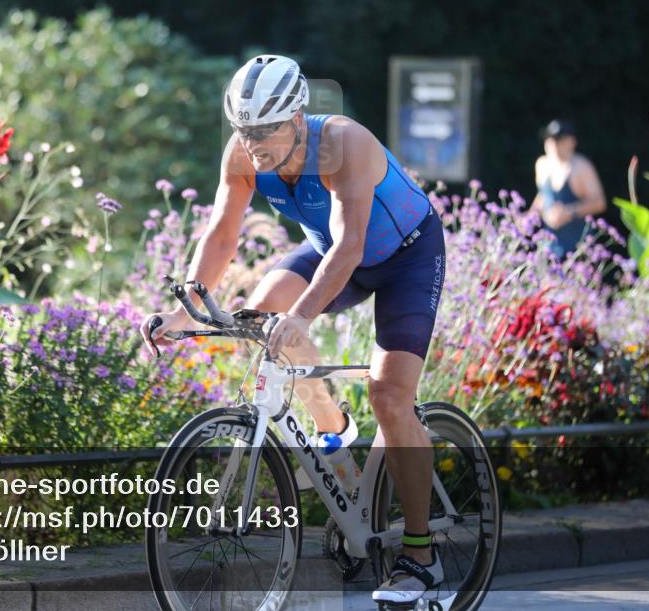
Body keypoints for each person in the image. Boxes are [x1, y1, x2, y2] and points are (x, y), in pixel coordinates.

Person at [141, 54, 447, 605]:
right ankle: (337, 436)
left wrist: (302, 316)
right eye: (243, 129)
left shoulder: (343, 143)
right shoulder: (242, 154)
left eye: (264, 130)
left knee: (390, 395)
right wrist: (186, 311)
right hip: (331, 252)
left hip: (405, 256)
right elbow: (220, 236)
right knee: (260, 315)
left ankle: (422, 555)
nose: (252, 142)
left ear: (297, 116)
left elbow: (352, 246)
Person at [528, 120, 607, 258]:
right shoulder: (542, 165)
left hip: (577, 248)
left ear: (572, 142)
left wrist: (570, 212)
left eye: (559, 140)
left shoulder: (582, 167)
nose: (554, 145)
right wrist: (529, 217)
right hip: (549, 246)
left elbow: (599, 203)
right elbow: (543, 196)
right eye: (550, 140)